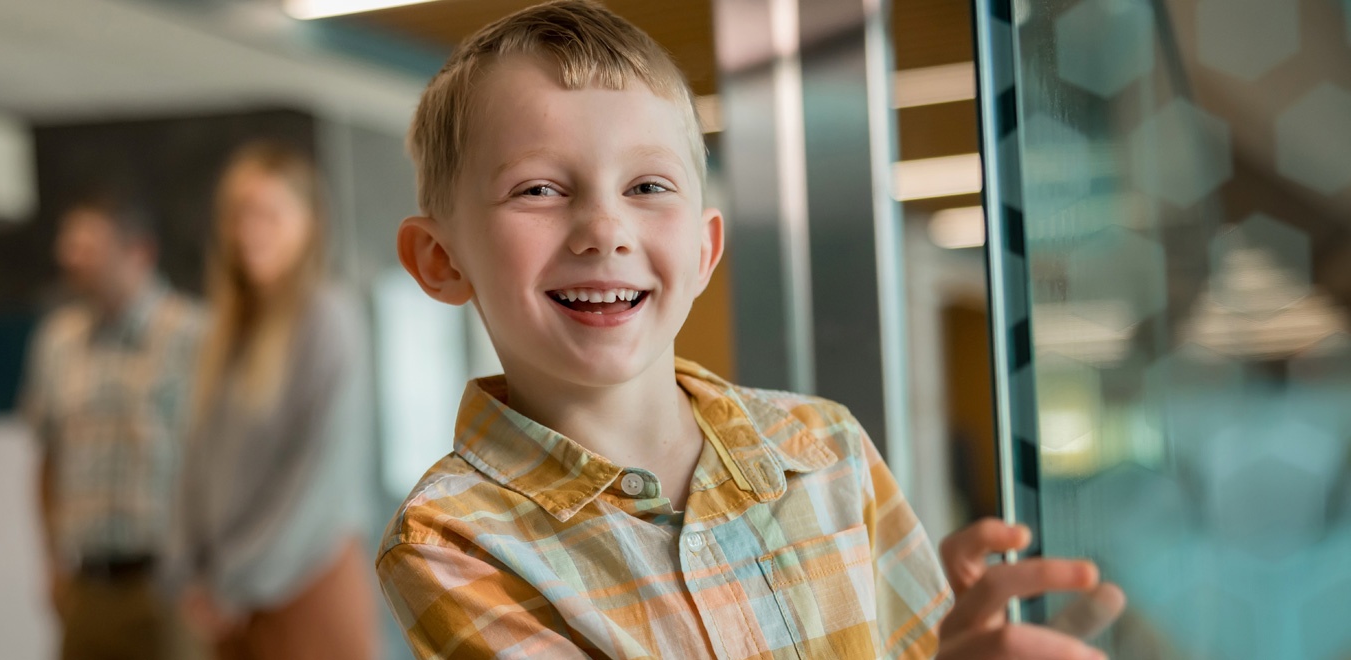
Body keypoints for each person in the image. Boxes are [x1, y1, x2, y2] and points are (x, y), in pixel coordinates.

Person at [376, 2, 1120, 658]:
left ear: (703, 252)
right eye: (539, 189)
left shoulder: (827, 447)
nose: (604, 230)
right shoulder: (451, 542)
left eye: (647, 187)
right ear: (440, 260)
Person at [177, 141, 379, 660]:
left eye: (269, 214)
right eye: (240, 215)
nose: (250, 232)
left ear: (309, 222)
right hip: (231, 599)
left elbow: (318, 479)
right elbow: (194, 467)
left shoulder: (329, 318)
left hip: (305, 585)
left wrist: (235, 583)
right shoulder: (223, 332)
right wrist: (192, 573)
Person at [20, 193, 209, 660]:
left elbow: (226, 464)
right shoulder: (56, 340)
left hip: (171, 588)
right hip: (86, 587)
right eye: (68, 245)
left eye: (88, 245)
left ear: (137, 251)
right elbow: (49, 461)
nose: (71, 257)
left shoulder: (197, 336)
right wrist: (52, 565)